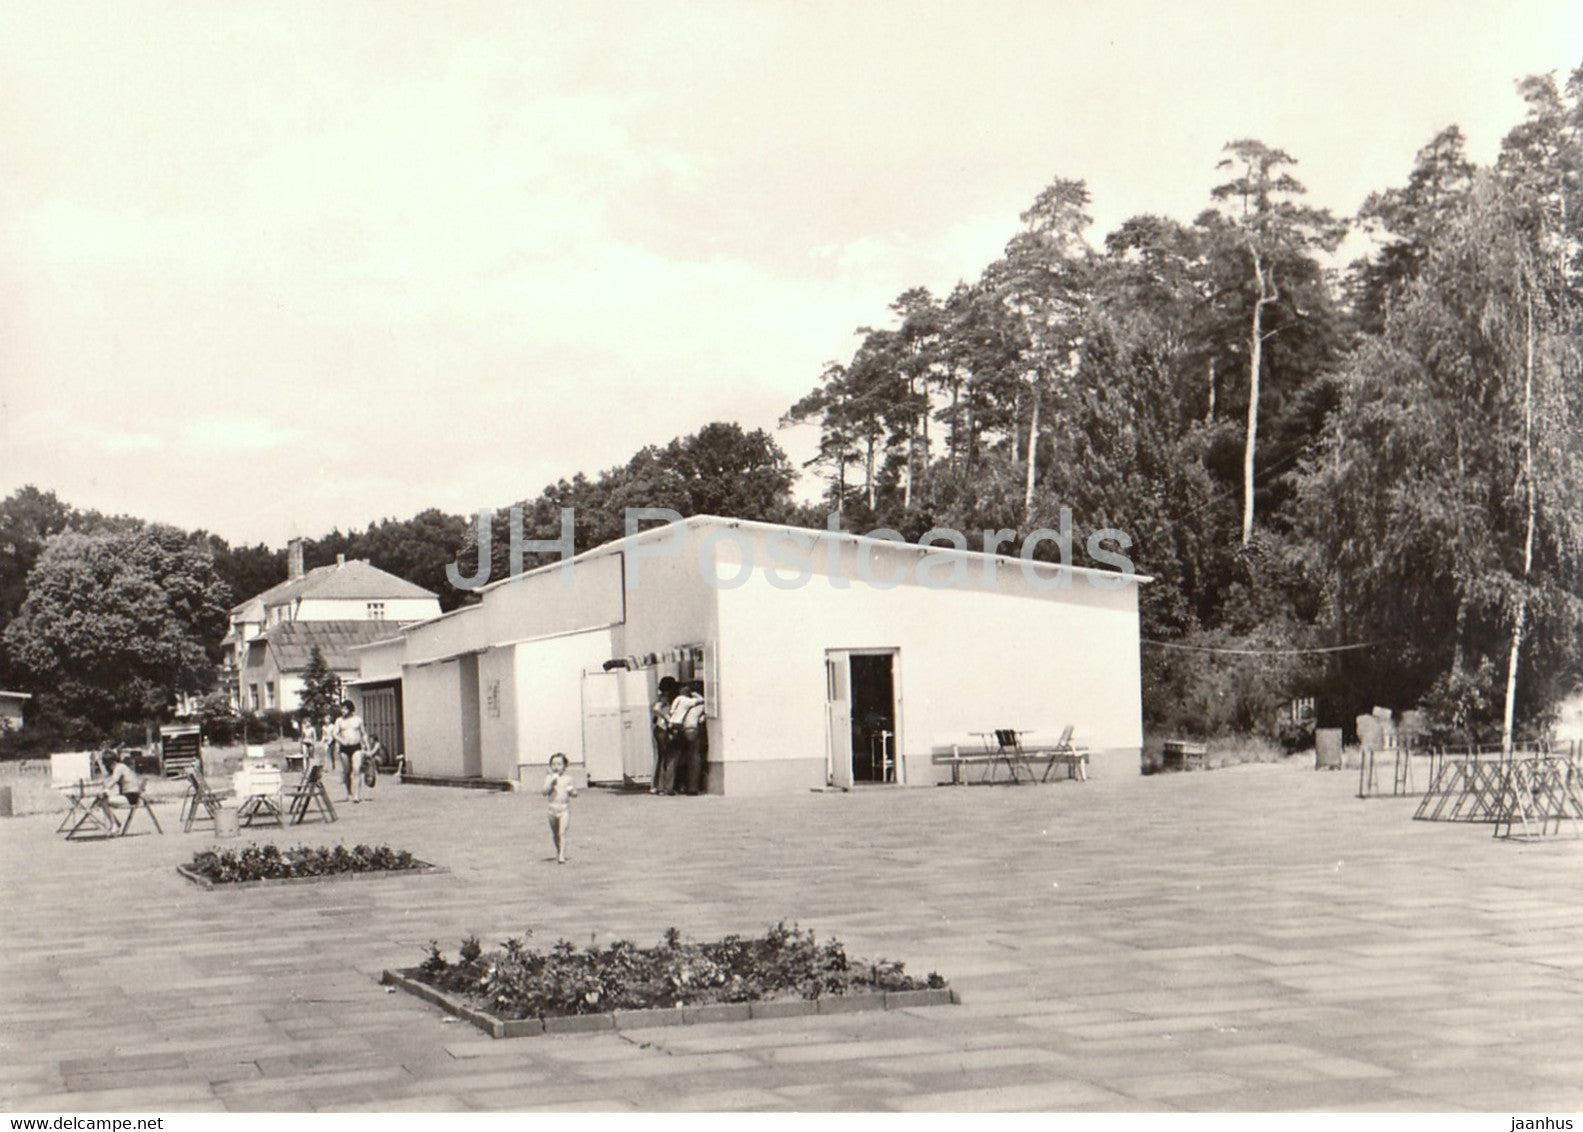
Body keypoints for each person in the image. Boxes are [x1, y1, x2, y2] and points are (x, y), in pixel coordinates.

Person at [668, 681, 707, 795]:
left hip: (682, 729)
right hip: (693, 730)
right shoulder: (698, 704)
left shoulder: (685, 702)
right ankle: (693, 787)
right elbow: (701, 719)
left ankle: (682, 785)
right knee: (695, 757)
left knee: (684, 757)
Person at [542, 752, 577, 864]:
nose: (556, 767)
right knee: (555, 833)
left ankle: (562, 854)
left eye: (559, 764)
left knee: (562, 832)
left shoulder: (568, 779)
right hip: (552, 809)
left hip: (564, 809)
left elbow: (574, 794)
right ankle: (558, 851)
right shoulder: (548, 778)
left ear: (565, 766)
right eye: (553, 764)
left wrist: (572, 791)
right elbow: (544, 792)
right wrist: (551, 784)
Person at [331, 700, 368, 803]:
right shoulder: (339, 721)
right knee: (347, 771)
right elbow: (334, 734)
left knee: (357, 769)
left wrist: (367, 746)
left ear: (350, 709)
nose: (342, 711)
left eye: (345, 708)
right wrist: (341, 741)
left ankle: (356, 795)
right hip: (344, 748)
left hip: (356, 747)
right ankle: (349, 793)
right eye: (342, 708)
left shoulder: (357, 720)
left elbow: (363, 733)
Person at [99, 750, 144, 829]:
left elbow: (113, 780)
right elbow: (109, 781)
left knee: (103, 802)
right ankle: (116, 823)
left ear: (110, 763)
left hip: (131, 797)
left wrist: (105, 790)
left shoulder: (119, 768)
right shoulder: (121, 767)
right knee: (103, 801)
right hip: (131, 796)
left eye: (106, 765)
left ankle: (114, 825)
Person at [650, 676, 680, 795]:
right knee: (669, 757)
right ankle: (665, 786)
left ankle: (658, 785)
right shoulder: (665, 699)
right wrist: (667, 717)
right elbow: (657, 709)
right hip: (665, 729)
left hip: (659, 729)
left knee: (661, 757)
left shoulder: (660, 697)